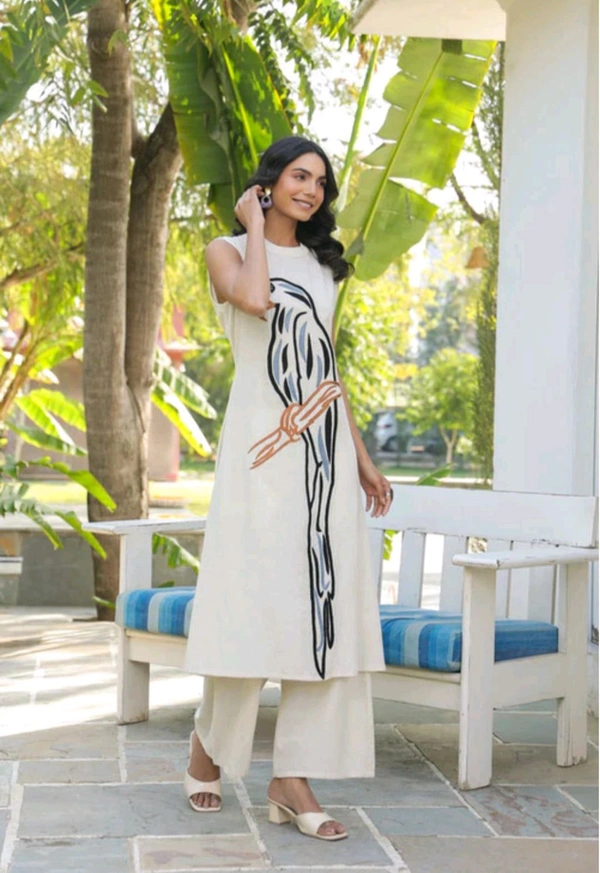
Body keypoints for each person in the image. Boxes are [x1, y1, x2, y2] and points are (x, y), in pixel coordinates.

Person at [183, 135, 393, 841]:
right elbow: (253, 298)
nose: (312, 190)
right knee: (250, 604)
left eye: (322, 182)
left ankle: (291, 777)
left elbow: (327, 370)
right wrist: (251, 225)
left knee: (320, 611)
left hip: (323, 460)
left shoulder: (325, 267)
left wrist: (360, 457)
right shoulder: (225, 250)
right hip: (258, 455)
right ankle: (208, 744)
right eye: (300, 176)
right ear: (268, 182)